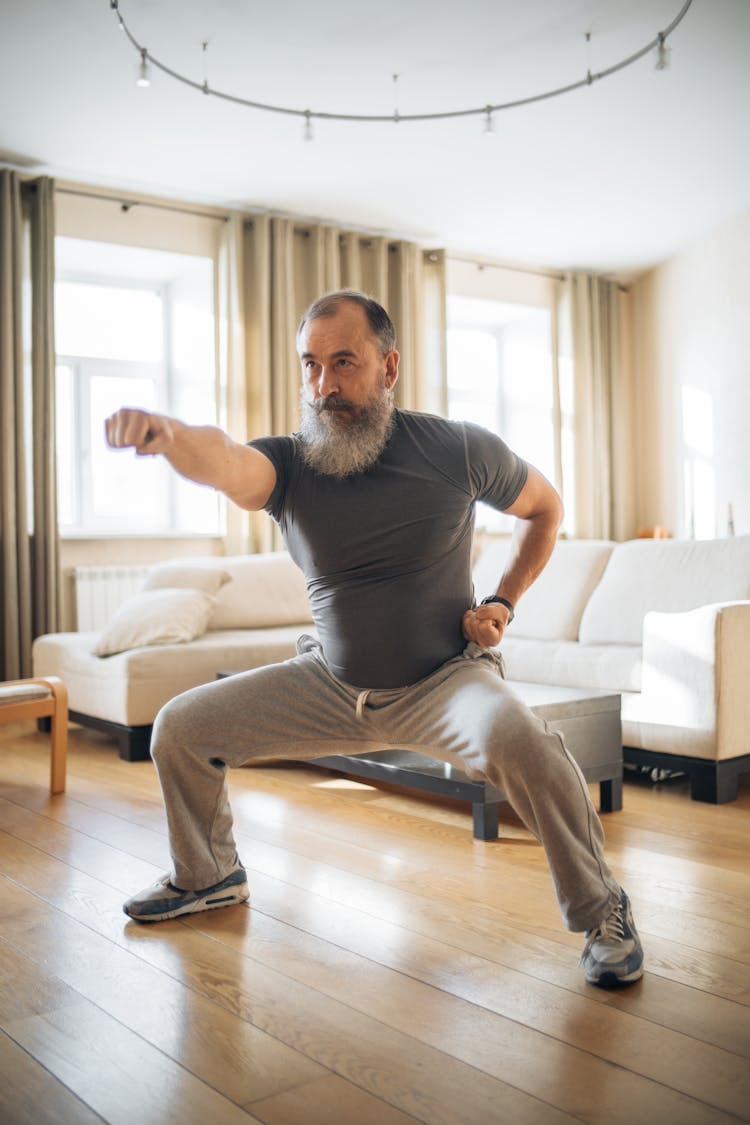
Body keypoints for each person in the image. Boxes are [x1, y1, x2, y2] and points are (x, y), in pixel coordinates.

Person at [105, 289, 643, 988]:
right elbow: (228, 459)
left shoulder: (456, 448)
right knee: (179, 727)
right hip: (329, 684)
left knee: (526, 743)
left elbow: (545, 509)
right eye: (310, 366)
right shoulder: (291, 466)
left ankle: (604, 908)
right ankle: (207, 875)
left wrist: (503, 600)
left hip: (446, 682)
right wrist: (171, 436)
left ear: (389, 368)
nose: (325, 385)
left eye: (344, 363)